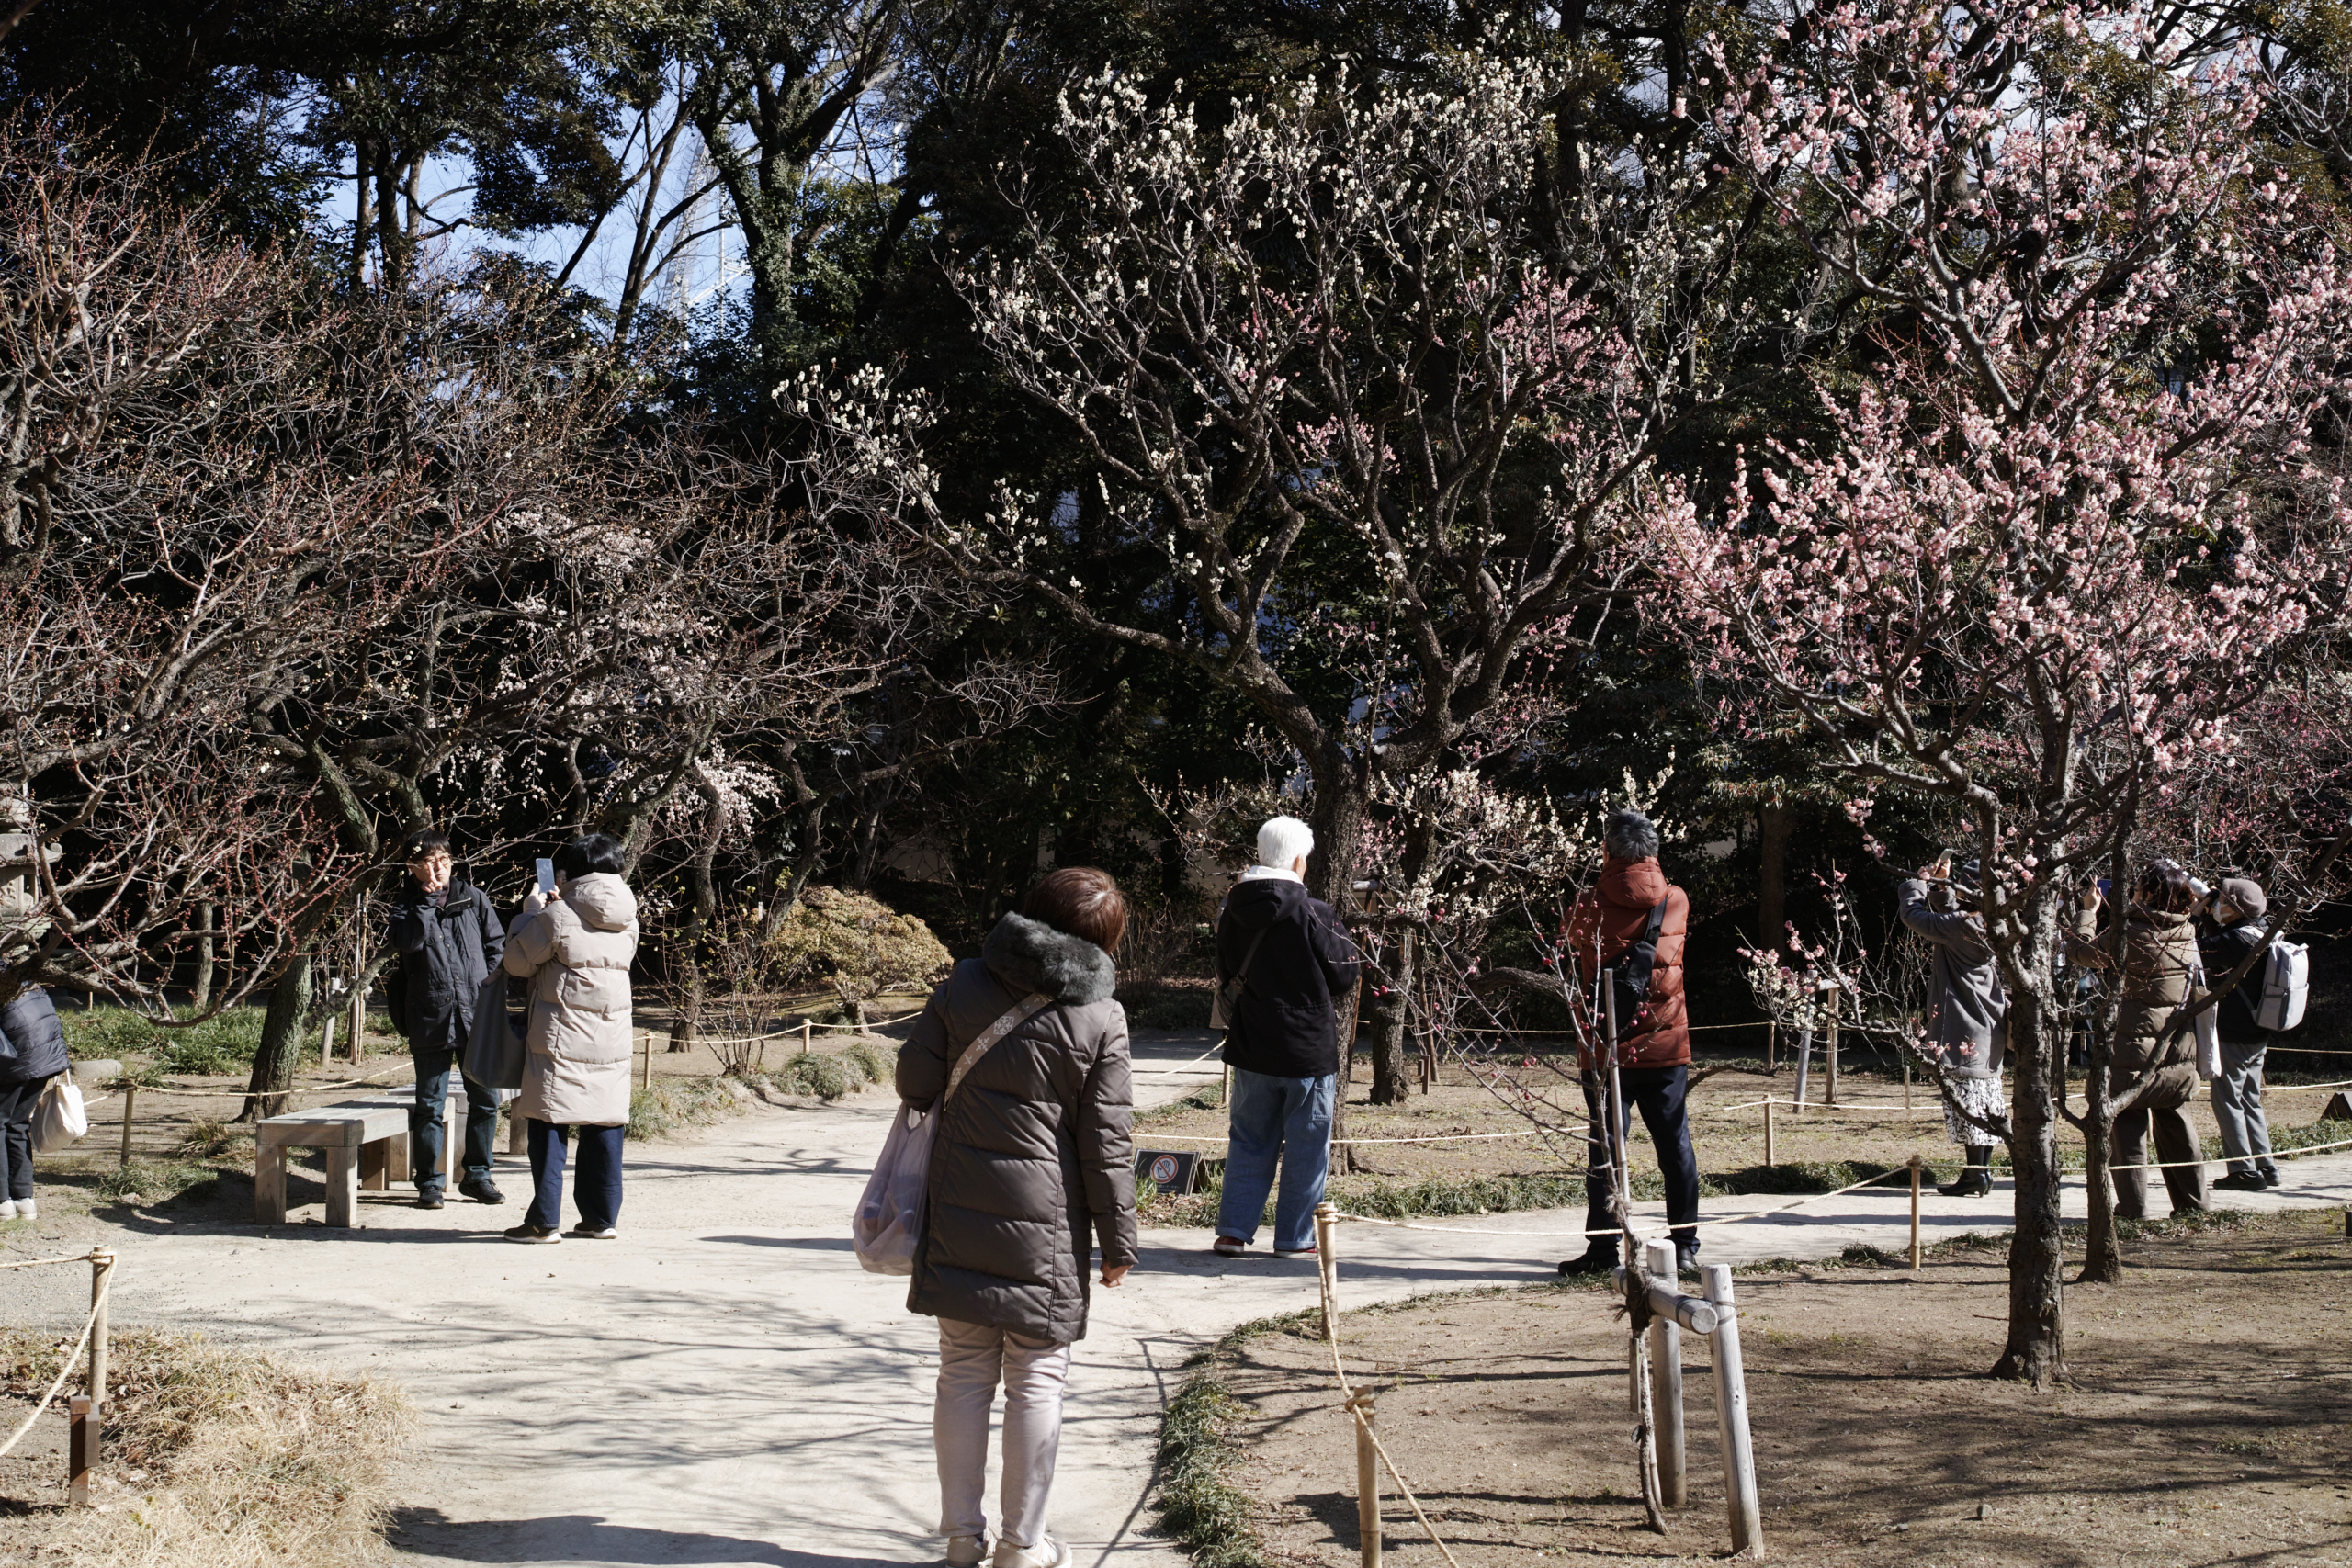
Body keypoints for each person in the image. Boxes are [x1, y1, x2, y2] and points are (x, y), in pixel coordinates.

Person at [898, 866, 1138, 1568]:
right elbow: (1107, 1143)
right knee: (1037, 1380)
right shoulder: (1103, 1017)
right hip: (1048, 1233)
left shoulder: (963, 982)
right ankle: (1022, 1546)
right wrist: (1118, 1242)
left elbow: (915, 1082)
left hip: (958, 1215)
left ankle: (960, 1539)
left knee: (962, 1373)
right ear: (1103, 941)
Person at [1212, 816, 1360, 1261]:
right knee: (1307, 1146)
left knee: (1250, 1138)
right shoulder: (1315, 912)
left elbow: (1225, 970)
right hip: (1306, 1049)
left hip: (1253, 1042)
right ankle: (1295, 1238)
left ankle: (1233, 1232)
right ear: (1299, 859)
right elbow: (1344, 975)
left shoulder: (1231, 910)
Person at [1558, 808, 1700, 1277]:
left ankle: (1602, 1250)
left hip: (1605, 1048)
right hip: (1664, 1043)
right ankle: (1684, 1246)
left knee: (1605, 1150)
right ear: (1653, 851)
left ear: (1607, 852)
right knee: (1675, 1146)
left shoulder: (1587, 903)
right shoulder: (1675, 900)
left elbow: (1570, 940)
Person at [501, 833, 639, 1243]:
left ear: (568, 873)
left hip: (561, 1037)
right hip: (610, 1037)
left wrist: (529, 913)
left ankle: (544, 1221)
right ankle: (600, 1217)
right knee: (604, 1120)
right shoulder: (628, 918)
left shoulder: (556, 915)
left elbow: (517, 962)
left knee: (548, 1121)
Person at [2075, 859, 2210, 1219]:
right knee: (2174, 1119)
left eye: (2136, 887)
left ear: (2148, 892)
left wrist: (2088, 913)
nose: (2131, 892)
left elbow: (2081, 953)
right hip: (2175, 1046)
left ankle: (2133, 1208)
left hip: (2130, 1046)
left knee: (2127, 1125)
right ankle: (2194, 1204)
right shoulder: (2188, 932)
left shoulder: (2131, 932)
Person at [387, 829, 508, 1209]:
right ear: (412, 867)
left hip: (476, 1014)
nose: (437, 868)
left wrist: (486, 984)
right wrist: (423, 904)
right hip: (430, 1015)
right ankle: (429, 1183)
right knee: (430, 1104)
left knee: (486, 1099)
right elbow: (408, 943)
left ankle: (478, 1176)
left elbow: (497, 946)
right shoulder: (404, 905)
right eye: (426, 862)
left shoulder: (472, 898)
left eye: (443, 860)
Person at [1898, 857, 2008, 1198]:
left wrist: (1917, 886)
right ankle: (1980, 1173)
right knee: (1986, 1095)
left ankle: (1976, 1174)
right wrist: (1943, 888)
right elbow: (1950, 916)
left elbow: (1914, 918)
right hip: (1988, 1020)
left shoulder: (1962, 925)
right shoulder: (1993, 923)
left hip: (1965, 1022)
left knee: (1968, 1100)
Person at [2201, 877, 2279, 1191]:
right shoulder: (2261, 932)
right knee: (2250, 1098)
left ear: (2235, 908)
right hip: (2258, 1030)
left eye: (2221, 900)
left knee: (2228, 1101)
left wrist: (2197, 913)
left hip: (2233, 1032)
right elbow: (2219, 940)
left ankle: (2243, 1172)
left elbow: (2192, 950)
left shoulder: (2235, 940)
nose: (2217, 904)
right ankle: (2265, 1165)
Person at [0, 985, 68, 1221]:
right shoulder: (22, 971)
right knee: (17, 1123)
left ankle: (2, 1202)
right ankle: (24, 1199)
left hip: (15, 1056)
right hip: (45, 1055)